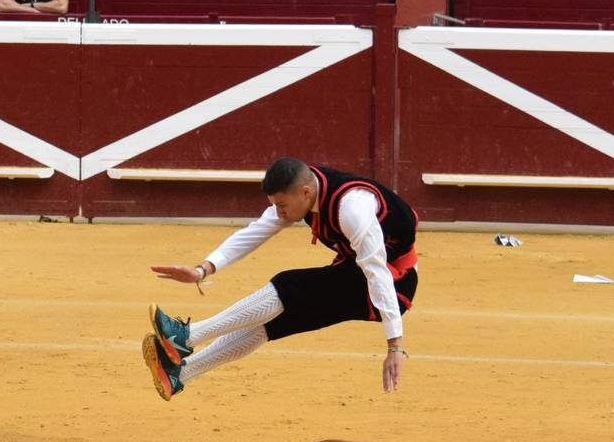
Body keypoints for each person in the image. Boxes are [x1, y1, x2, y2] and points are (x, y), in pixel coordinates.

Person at [143, 158, 419, 401]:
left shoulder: (352, 208)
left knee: (291, 286)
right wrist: (203, 270)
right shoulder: (304, 192)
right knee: (273, 322)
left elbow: (376, 270)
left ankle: (186, 338)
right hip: (357, 270)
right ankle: (181, 374)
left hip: (393, 283)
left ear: (306, 192)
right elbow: (257, 231)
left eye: (281, 205)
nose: (278, 213)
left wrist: (395, 345)